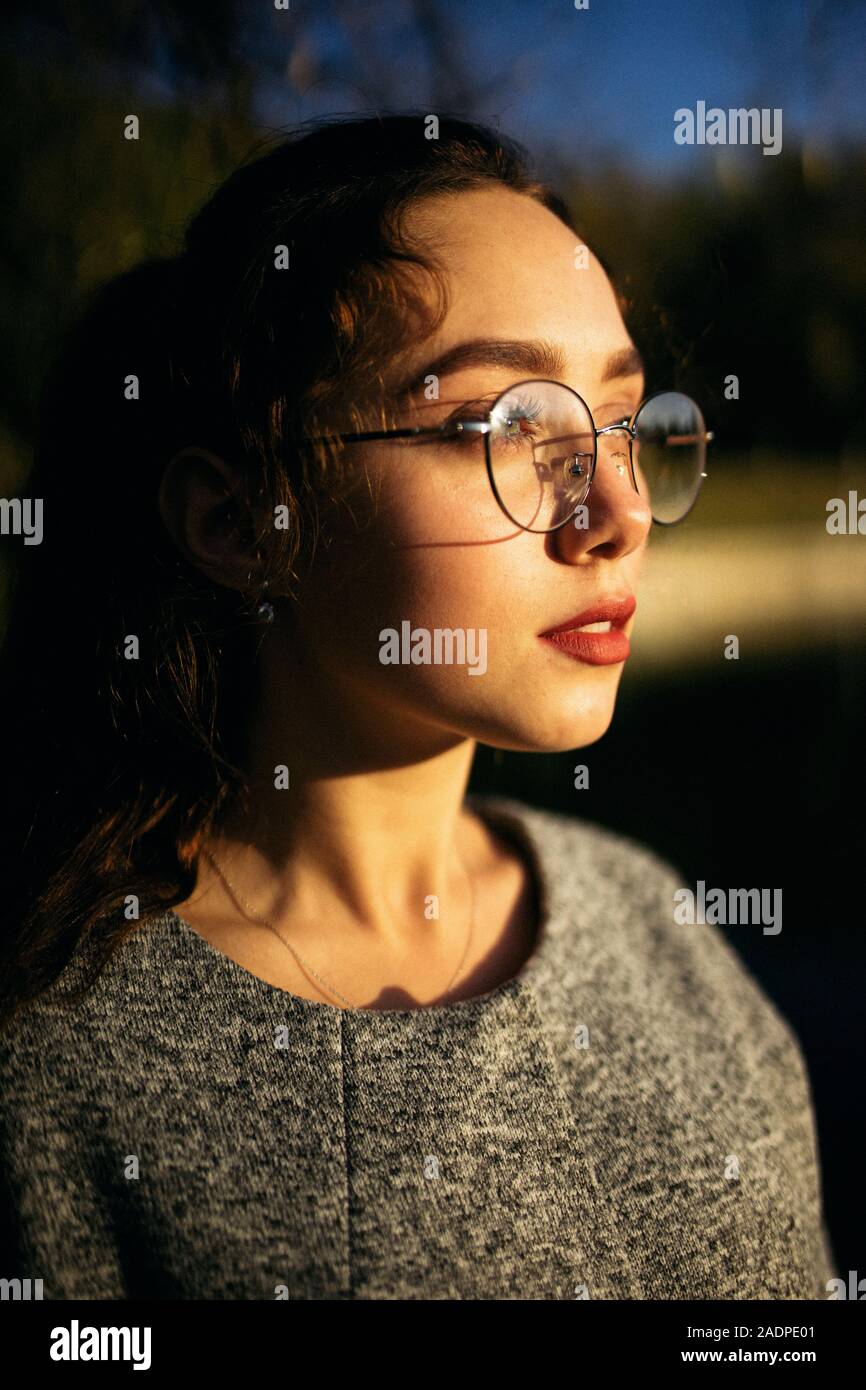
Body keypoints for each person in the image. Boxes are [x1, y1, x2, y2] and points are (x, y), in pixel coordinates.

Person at [0, 113, 835, 1299]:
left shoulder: (656, 928)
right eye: (493, 425)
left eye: (619, 423)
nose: (618, 511)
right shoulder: (58, 1072)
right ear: (240, 521)